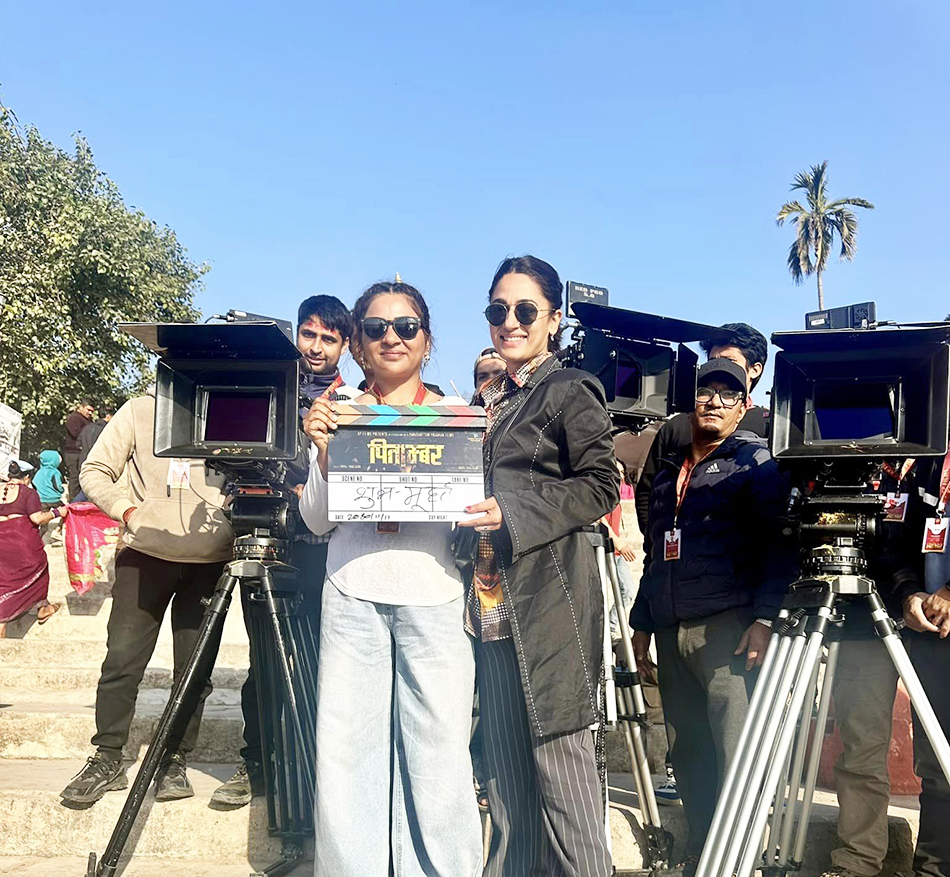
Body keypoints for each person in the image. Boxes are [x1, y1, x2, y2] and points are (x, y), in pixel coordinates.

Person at [299, 280, 483, 877]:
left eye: (406, 327)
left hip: (436, 593)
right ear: (357, 343)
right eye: (376, 328)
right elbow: (316, 520)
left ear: (427, 340)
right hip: (351, 590)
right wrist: (323, 453)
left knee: (441, 752)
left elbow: (472, 516)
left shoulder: (460, 416)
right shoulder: (338, 413)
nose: (392, 338)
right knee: (347, 752)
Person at [460, 255, 620, 877]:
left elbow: (600, 484)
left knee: (563, 767)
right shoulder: (486, 400)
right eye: (498, 310)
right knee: (503, 772)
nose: (510, 321)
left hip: (549, 602)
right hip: (487, 606)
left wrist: (513, 511)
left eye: (526, 310)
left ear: (553, 319)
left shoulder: (569, 388)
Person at [629, 357, 795, 874]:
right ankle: (703, 852)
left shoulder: (757, 464)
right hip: (670, 627)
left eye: (728, 394)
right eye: (706, 392)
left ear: (744, 407)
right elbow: (655, 552)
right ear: (691, 402)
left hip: (730, 630)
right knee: (689, 751)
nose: (715, 402)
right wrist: (641, 622)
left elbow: (778, 547)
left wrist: (765, 620)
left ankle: (741, 859)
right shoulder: (667, 472)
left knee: (735, 752)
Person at [211, 294, 359, 808]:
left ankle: (317, 768)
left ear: (345, 346)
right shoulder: (268, 390)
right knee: (265, 662)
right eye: (308, 334)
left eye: (328, 339)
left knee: (324, 658)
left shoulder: (354, 400)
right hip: (266, 541)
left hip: (324, 549)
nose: (316, 347)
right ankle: (255, 763)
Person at [59, 392, 233, 807]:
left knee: (193, 671)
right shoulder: (140, 409)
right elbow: (95, 470)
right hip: (143, 556)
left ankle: (173, 760)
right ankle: (107, 758)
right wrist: (128, 511)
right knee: (121, 661)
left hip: (210, 561)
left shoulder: (232, 408)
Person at [819, 457, 923, 877]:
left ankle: (935, 865)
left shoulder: (938, 460)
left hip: (937, 617)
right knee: (861, 748)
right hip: (863, 619)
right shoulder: (845, 459)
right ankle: (857, 862)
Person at [636, 323, 769, 533]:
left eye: (730, 361)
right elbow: (647, 491)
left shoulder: (770, 427)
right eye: (713, 361)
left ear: (755, 369)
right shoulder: (676, 427)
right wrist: (657, 542)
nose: (715, 403)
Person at [900, 451, 950, 877]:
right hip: (933, 634)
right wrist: (909, 592)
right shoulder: (930, 460)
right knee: (937, 764)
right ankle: (933, 868)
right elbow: (902, 539)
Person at [0, 460, 64, 637]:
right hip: (22, 542)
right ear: (27, 477)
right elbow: (37, 518)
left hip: (2, 543)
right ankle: (5, 620)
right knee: (38, 569)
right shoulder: (29, 493)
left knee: (5, 579)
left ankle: (44, 607)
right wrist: (57, 512)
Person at [63, 399, 94, 500]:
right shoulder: (74, 418)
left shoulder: (88, 420)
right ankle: (73, 502)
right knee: (75, 478)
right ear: (81, 407)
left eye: (92, 411)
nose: (90, 413)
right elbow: (77, 433)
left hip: (83, 452)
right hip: (74, 453)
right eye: (88, 410)